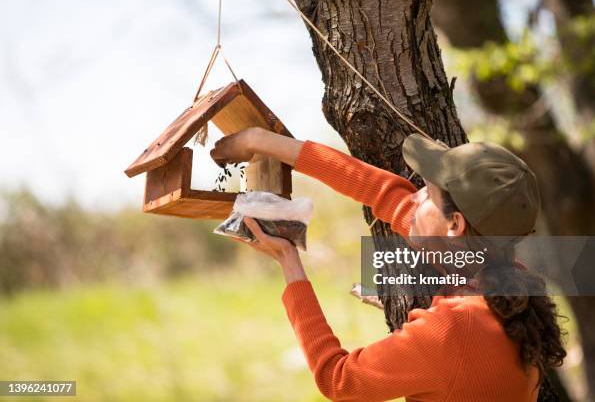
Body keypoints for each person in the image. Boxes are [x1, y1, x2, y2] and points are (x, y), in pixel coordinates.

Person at [210, 127, 566, 402]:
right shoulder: (505, 276)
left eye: (428, 193)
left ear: (455, 224)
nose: (416, 196)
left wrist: (288, 260)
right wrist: (261, 140)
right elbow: (380, 192)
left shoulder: (454, 329)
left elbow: (339, 379)